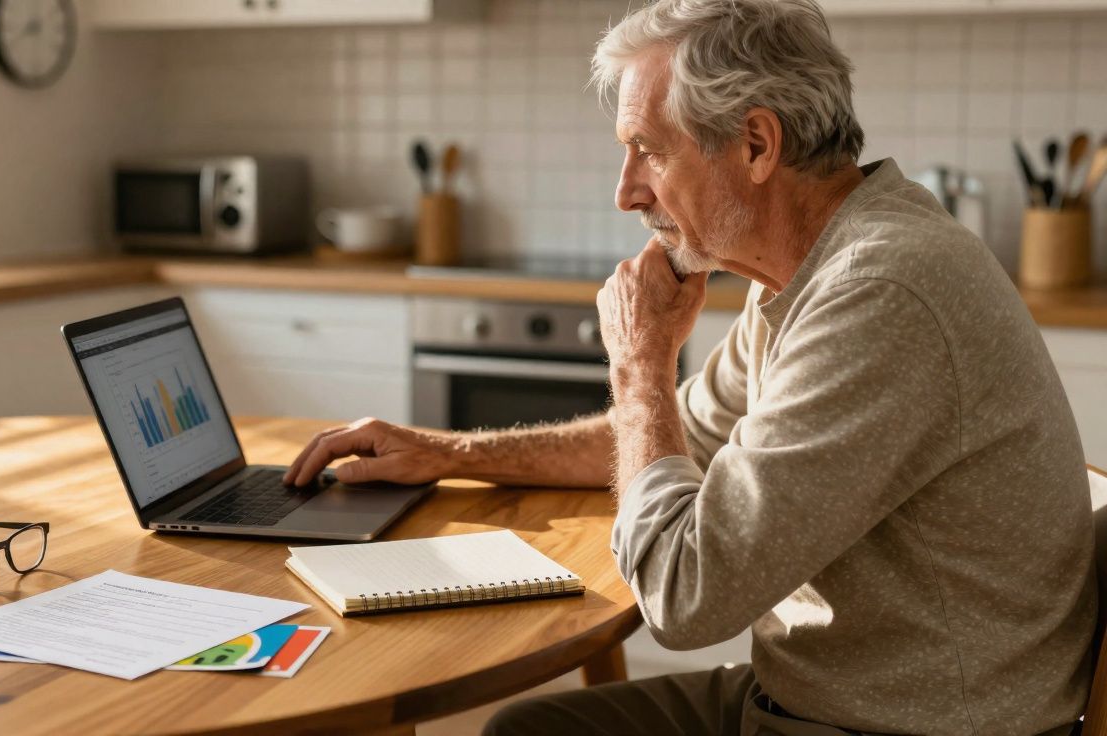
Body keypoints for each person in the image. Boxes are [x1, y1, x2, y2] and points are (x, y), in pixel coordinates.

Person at [283, 0, 1097, 733]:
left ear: (755, 144)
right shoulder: (808, 268)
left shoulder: (879, 293)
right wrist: (447, 454)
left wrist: (642, 363)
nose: (626, 191)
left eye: (647, 151)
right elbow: (686, 442)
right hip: (819, 699)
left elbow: (682, 594)